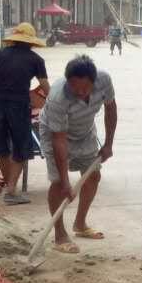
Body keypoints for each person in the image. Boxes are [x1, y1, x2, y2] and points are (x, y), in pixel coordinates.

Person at [39, 56, 117, 254]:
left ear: (94, 81)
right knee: (58, 184)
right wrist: (66, 182)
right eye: (75, 88)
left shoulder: (104, 80)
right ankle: (59, 235)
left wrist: (108, 144)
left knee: (93, 176)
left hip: (85, 130)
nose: (81, 93)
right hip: (54, 133)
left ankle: (80, 224)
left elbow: (111, 108)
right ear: (68, 82)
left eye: (85, 88)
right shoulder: (58, 97)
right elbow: (59, 140)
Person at [0, 22, 50, 204]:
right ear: (31, 42)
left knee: (1, 146)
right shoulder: (36, 60)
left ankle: (10, 188)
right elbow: (45, 88)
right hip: (19, 105)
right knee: (21, 146)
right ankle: (11, 190)